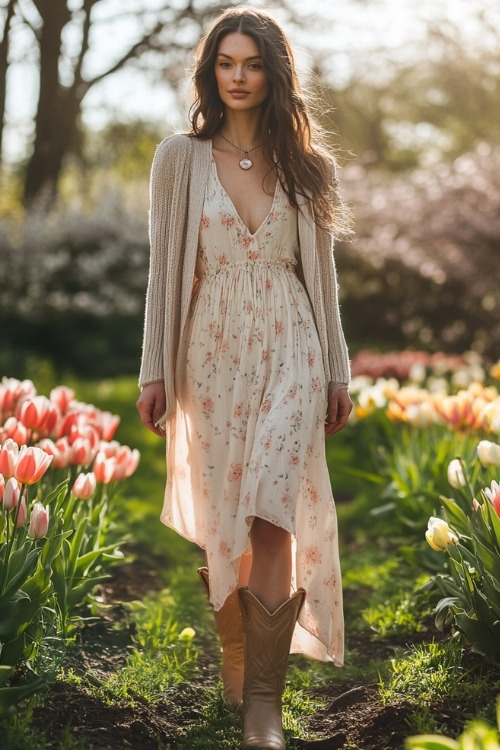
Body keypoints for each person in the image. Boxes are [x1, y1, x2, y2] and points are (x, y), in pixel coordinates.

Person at [136, 6, 353, 749]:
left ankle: (265, 704)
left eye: (252, 64)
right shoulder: (179, 158)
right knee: (226, 513)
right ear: (210, 70)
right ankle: (240, 661)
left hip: (292, 341)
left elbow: (321, 280)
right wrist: (152, 370)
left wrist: (337, 371)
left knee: (271, 503)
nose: (238, 76)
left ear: (274, 73)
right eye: (226, 63)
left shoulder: (308, 166)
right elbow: (165, 273)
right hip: (211, 351)